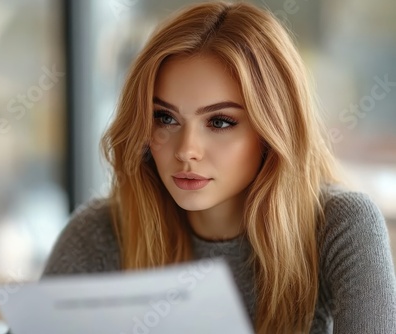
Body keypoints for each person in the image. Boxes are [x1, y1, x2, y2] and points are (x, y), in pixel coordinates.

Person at [42, 1, 396, 333]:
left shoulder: (340, 224)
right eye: (165, 117)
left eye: (220, 122)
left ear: (272, 131)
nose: (186, 151)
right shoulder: (101, 231)